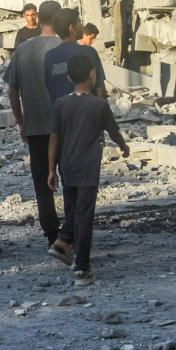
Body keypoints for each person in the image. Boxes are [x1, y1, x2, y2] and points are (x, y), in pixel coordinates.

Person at [48, 54, 130, 286]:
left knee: (72, 210)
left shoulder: (60, 104)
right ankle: (82, 268)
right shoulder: (99, 105)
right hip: (87, 168)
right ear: (93, 74)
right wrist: (124, 147)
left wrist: (51, 169)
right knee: (84, 216)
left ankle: (63, 243)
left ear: (68, 77)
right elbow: (113, 132)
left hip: (66, 166)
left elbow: (54, 139)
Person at [3, 0, 62, 256]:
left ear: (39, 18)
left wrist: (21, 122)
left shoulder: (23, 50)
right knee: (71, 179)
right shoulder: (67, 48)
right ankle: (73, 233)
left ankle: (52, 236)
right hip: (66, 127)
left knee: (42, 183)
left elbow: (12, 91)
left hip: (36, 127)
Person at [44, 8, 107, 105]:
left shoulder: (49, 57)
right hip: (87, 111)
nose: (82, 26)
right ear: (72, 28)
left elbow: (48, 90)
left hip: (61, 112)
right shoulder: (89, 52)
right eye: (79, 22)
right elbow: (100, 88)